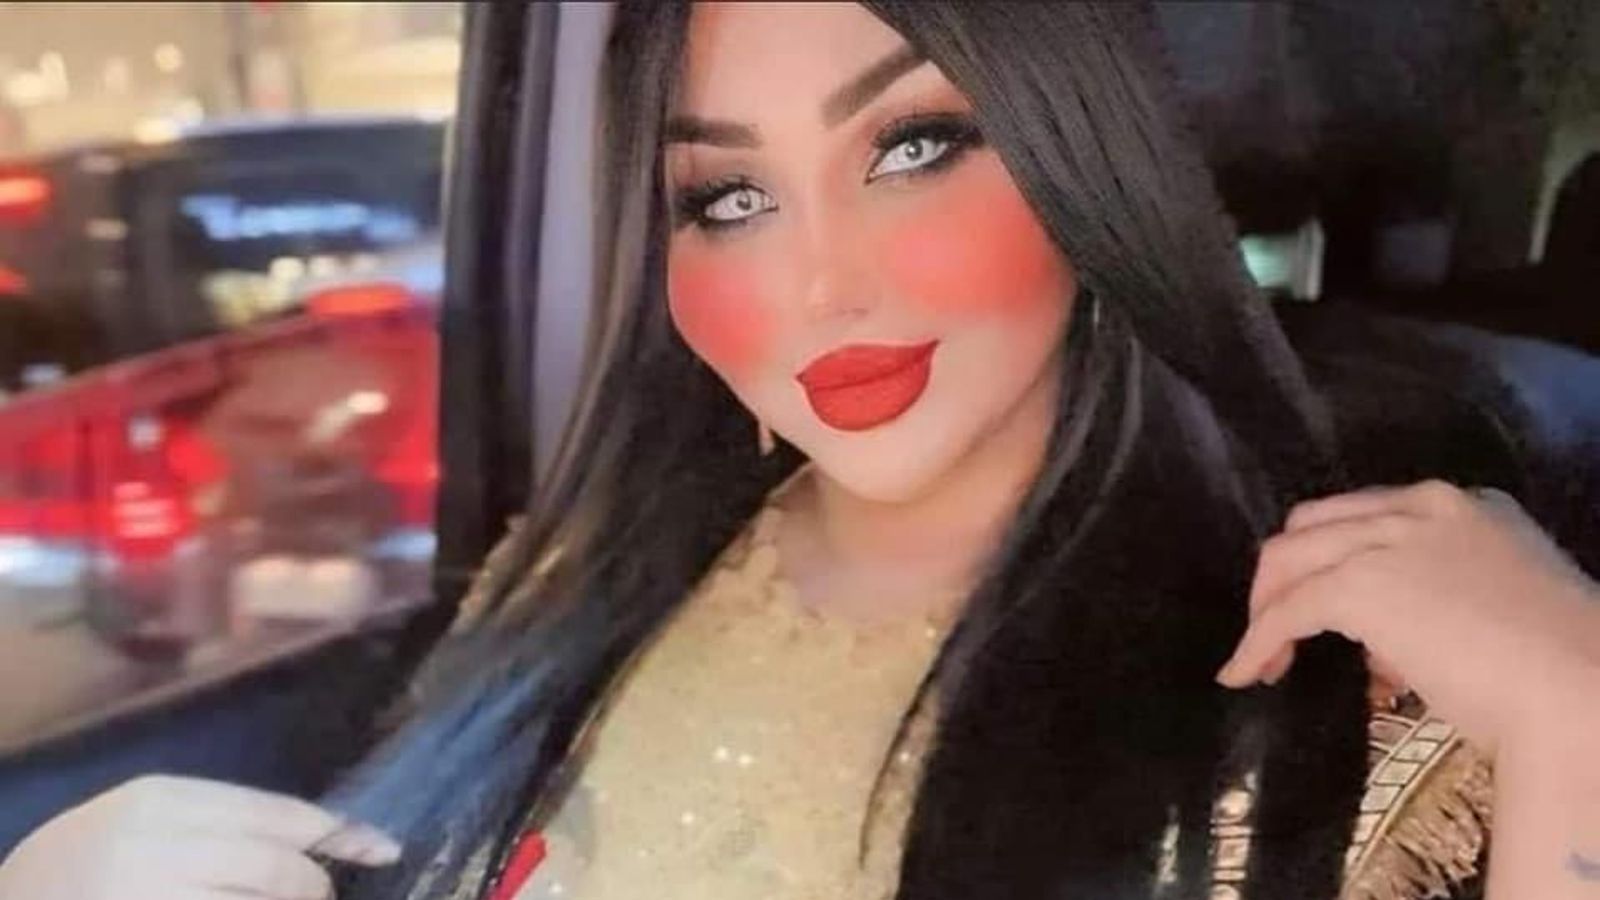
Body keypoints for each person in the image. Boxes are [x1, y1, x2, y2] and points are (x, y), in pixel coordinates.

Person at [2, 3, 1598, 899]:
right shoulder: (600, 567)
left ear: (1083, 167)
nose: (816, 283)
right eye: (731, 198)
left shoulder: (1340, 661)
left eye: (913, 147)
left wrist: (1576, 714)